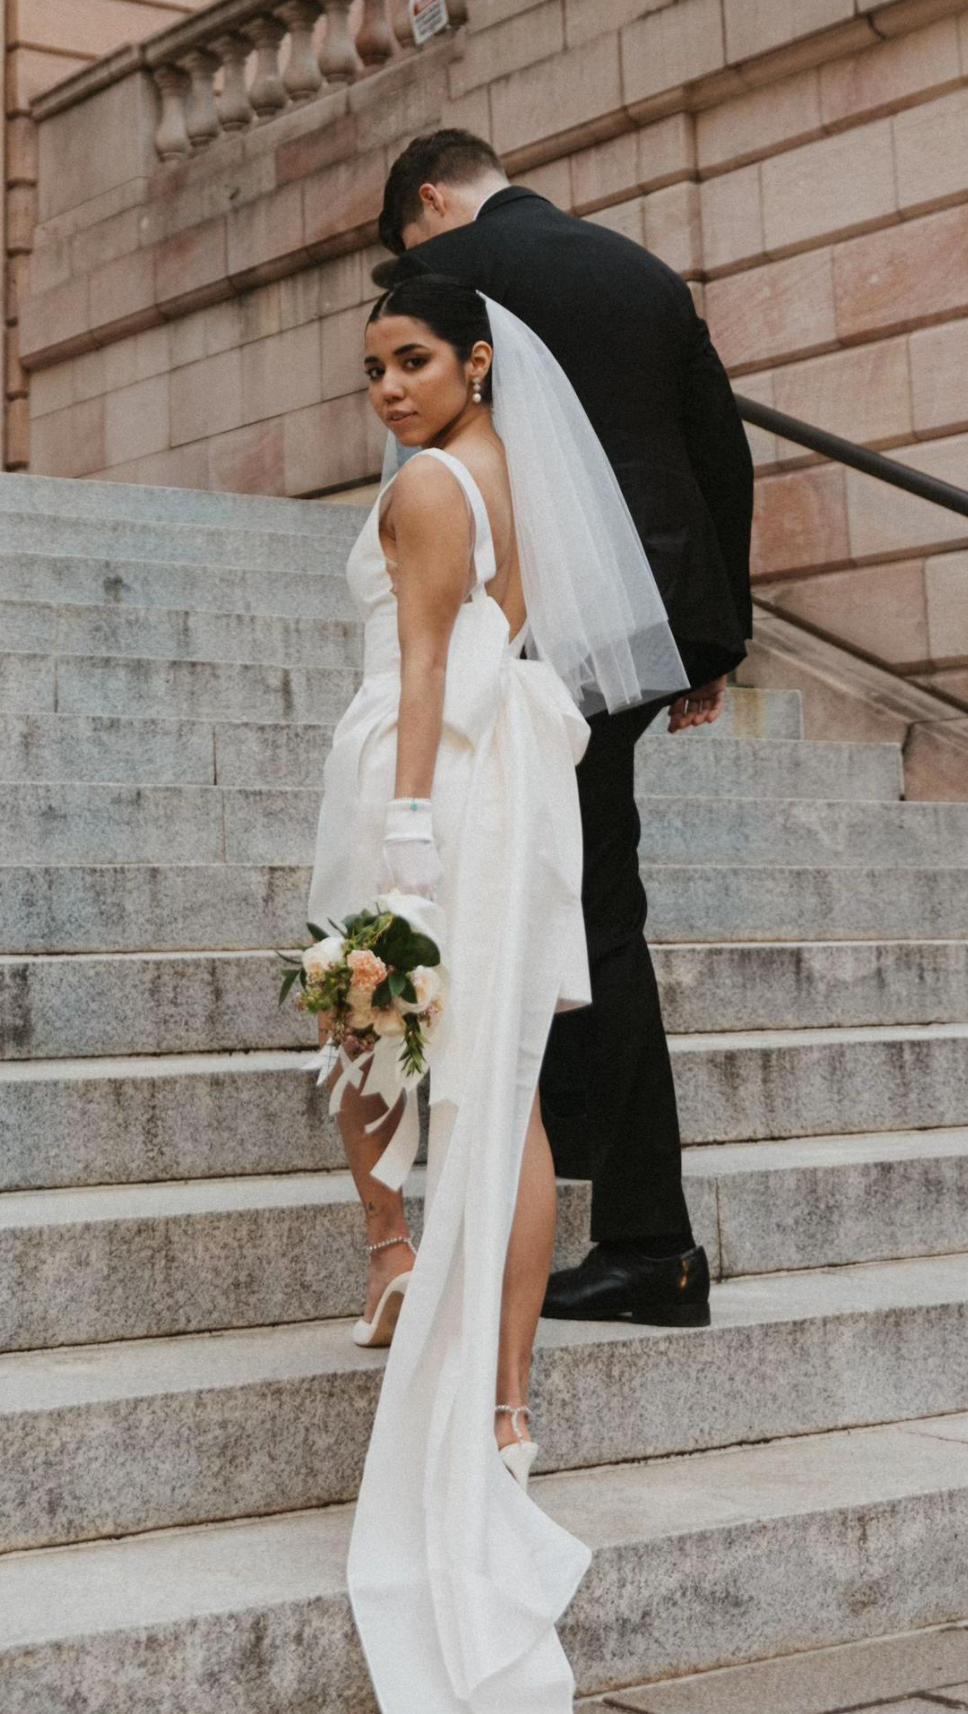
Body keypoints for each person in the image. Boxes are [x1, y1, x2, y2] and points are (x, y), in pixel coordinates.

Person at [308, 274, 688, 1711]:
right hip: (518, 782)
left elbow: (419, 663)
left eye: (412, 361)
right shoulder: (517, 472)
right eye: (371, 370)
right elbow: (509, 637)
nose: (389, 389)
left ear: (475, 361)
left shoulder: (422, 494)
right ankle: (508, 1405)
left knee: (366, 1006)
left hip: (427, 778)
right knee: (504, 1075)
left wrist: (402, 827)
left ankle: (391, 1247)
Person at [372, 129, 755, 1330]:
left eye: (409, 241)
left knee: (588, 906)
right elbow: (721, 452)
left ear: (430, 198)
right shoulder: (639, 267)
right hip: (649, 624)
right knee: (588, 887)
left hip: (532, 629)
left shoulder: (453, 279)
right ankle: (586, 1167)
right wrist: (713, 640)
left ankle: (650, 1239)